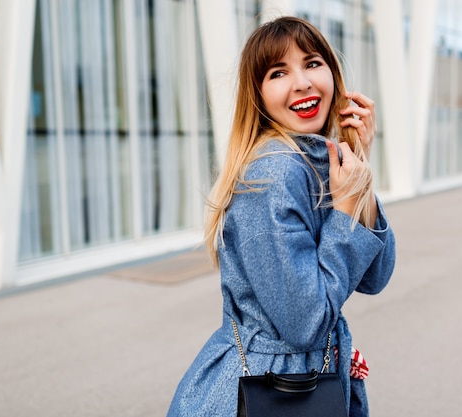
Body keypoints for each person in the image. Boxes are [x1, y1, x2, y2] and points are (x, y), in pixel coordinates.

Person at [167, 16, 396, 417]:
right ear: (258, 96)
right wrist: (344, 210)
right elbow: (305, 322)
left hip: (306, 380)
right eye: (278, 72)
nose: (302, 82)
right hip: (267, 387)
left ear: (332, 72)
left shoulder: (318, 159)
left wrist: (359, 165)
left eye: (312, 63)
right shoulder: (274, 173)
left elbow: (375, 277)